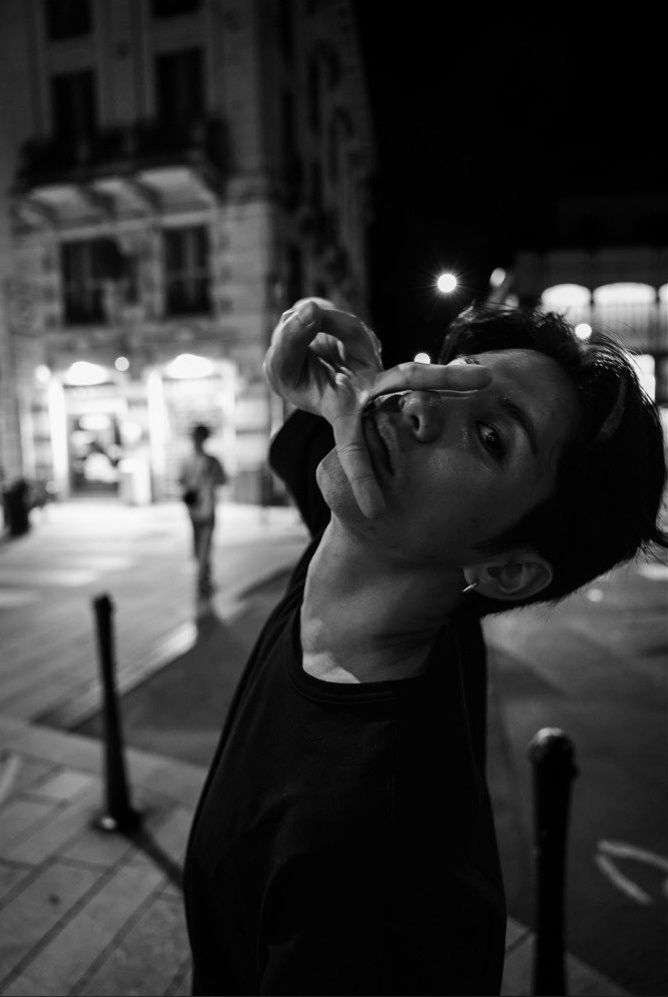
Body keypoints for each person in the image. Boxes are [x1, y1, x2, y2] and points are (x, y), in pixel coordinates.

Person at [183, 299, 667, 996]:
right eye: (452, 374)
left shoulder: (379, 867)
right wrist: (340, 390)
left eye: (493, 437)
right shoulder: (362, 560)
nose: (421, 405)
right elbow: (312, 460)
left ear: (504, 570)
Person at [178, 422, 228, 615]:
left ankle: (203, 578)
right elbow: (223, 481)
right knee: (203, 545)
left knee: (201, 545)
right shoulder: (210, 461)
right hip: (203, 508)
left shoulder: (193, 461)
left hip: (197, 509)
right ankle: (203, 579)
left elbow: (181, 481)